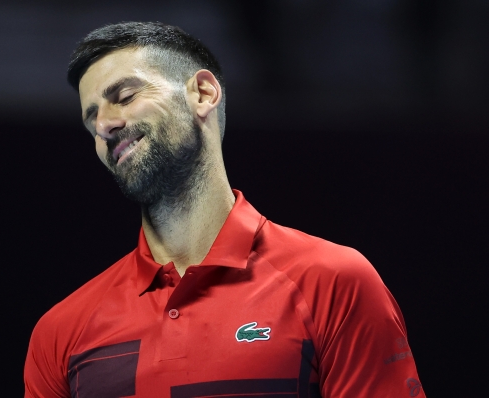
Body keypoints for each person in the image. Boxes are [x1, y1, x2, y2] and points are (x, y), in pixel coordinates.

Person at [24, 22, 424, 398]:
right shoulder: (61, 331)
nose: (105, 126)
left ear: (202, 93)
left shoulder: (334, 282)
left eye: (124, 97)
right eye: (91, 119)